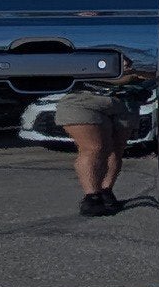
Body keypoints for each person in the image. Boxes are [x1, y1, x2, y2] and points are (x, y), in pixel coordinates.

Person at [53, 87, 130, 215]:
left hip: (126, 100)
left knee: (116, 148)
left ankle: (106, 192)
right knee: (93, 148)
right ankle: (92, 197)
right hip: (82, 99)